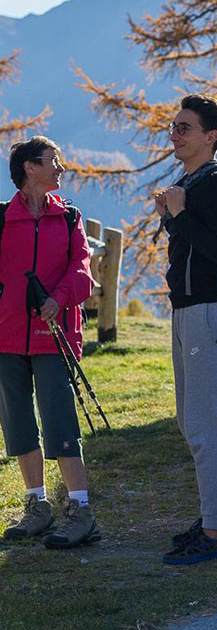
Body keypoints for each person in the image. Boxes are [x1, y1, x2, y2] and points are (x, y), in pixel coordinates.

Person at [154, 94, 217, 565]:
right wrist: (174, 215)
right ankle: (216, 515)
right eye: (173, 125)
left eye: (184, 127)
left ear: (210, 136)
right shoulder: (192, 182)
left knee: (209, 425)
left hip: (210, 314)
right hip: (190, 310)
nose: (175, 133)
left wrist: (181, 213)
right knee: (193, 421)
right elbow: (193, 248)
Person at [0, 137, 99, 548]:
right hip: (6, 336)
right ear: (29, 168)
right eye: (52, 161)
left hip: (54, 335)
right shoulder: (3, 219)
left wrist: (58, 299)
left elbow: (83, 271)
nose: (60, 167)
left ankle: (80, 511)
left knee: (60, 419)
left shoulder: (70, 217)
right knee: (19, 422)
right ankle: (36, 506)